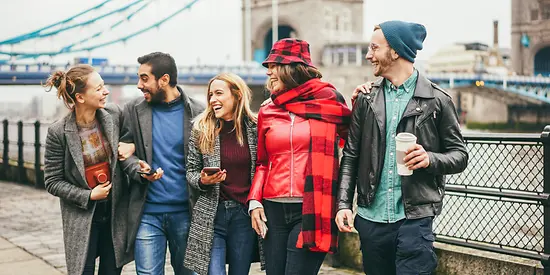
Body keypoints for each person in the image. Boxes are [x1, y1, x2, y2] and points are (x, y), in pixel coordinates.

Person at [335, 20, 469, 275]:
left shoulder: (437, 100)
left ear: (395, 51)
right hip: (370, 220)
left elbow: (460, 155)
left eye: (374, 48)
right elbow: (351, 155)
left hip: (415, 219)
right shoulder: (365, 98)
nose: (368, 55)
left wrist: (429, 159)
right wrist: (343, 204)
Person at [248, 38, 351, 275]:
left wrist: (361, 97)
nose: (269, 72)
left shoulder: (329, 100)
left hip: (312, 208)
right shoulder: (268, 110)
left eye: (274, 65)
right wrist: (254, 201)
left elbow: (355, 143)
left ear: (292, 68)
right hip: (272, 208)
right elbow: (263, 163)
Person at [43, 64, 143, 275]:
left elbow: (129, 141)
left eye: (104, 86)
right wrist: (88, 195)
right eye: (98, 88)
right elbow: (52, 181)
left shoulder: (114, 115)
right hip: (82, 218)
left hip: (115, 215)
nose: (105, 91)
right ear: (80, 97)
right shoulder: (58, 132)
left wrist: (131, 146)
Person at [119, 52, 204, 275]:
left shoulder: (198, 112)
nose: (139, 85)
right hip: (147, 213)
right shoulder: (133, 110)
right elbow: (125, 152)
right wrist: (138, 168)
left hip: (187, 213)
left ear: (164, 80)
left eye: (144, 78)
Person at [184, 73, 264, 275]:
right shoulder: (202, 129)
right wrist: (203, 180)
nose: (212, 100)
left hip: (244, 216)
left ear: (237, 95)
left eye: (219, 93)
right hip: (212, 215)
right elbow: (191, 172)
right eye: (210, 95)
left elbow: (264, 168)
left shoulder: (256, 127)